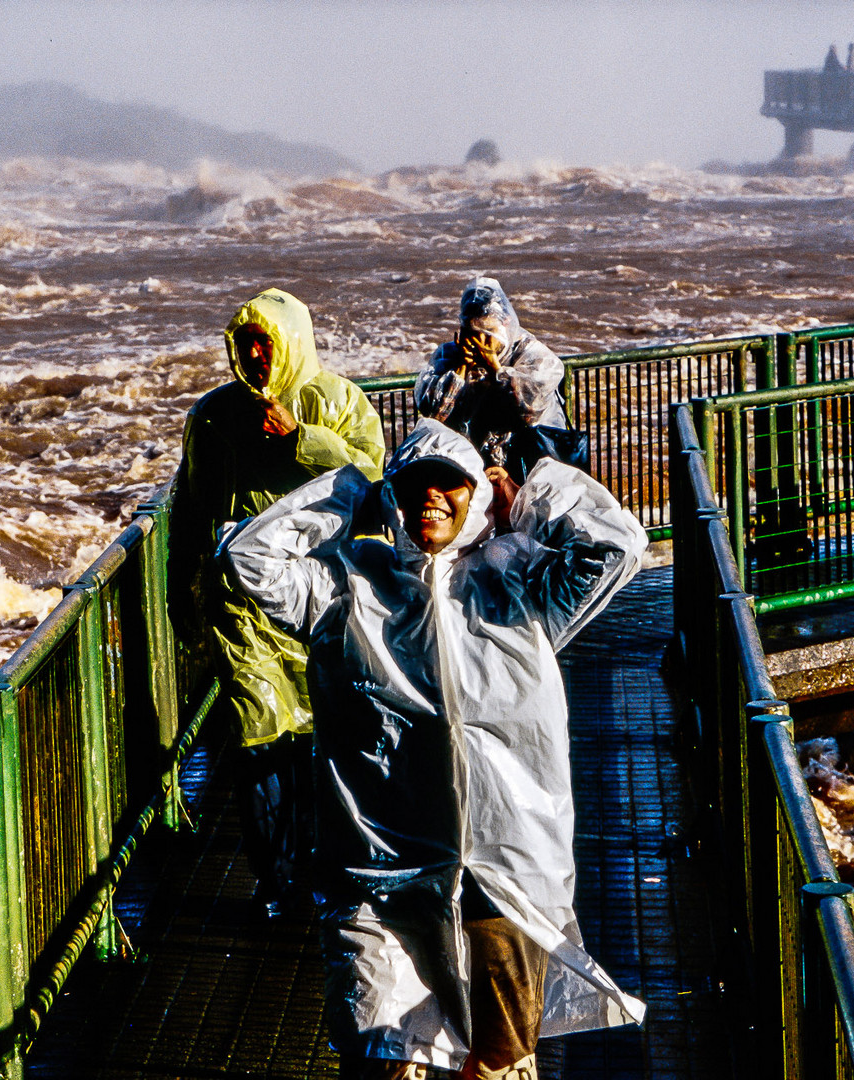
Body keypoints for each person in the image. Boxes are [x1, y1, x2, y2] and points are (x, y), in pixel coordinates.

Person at [220, 419, 648, 1079]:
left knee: (501, 1060)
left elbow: (617, 543)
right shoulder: (343, 591)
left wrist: (529, 495)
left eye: (450, 485)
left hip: (506, 869)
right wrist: (346, 491)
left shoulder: (520, 584)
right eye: (414, 484)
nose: (431, 497)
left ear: (475, 496)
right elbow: (246, 558)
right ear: (391, 494)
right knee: (378, 1054)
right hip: (379, 875)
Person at [166, 287, 385, 916]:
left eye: (268, 344)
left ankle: (329, 863)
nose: (257, 357)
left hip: (322, 597)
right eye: (246, 345)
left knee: (324, 733)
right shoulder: (213, 417)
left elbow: (375, 484)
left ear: (293, 343)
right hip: (240, 608)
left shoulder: (338, 402)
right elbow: (191, 512)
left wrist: (304, 439)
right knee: (258, 730)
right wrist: (186, 596)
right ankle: (278, 881)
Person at [414, 277, 581, 485]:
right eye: (472, 334)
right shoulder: (448, 356)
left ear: (505, 323)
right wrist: (460, 370)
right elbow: (432, 416)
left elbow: (529, 413)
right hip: (472, 467)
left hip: (526, 466)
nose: (480, 342)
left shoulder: (530, 353)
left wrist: (497, 370)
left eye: (488, 333)